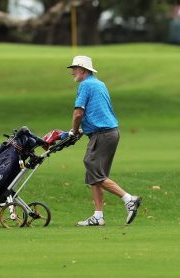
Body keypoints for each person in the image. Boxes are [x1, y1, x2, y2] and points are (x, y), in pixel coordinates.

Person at [67, 55, 142, 226]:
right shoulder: (99, 84)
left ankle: (129, 199)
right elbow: (96, 111)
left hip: (102, 134)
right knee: (95, 174)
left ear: (83, 70)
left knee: (94, 170)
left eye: (75, 68)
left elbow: (78, 112)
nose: (72, 72)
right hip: (111, 133)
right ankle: (98, 216)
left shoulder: (85, 85)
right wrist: (81, 129)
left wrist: (75, 131)